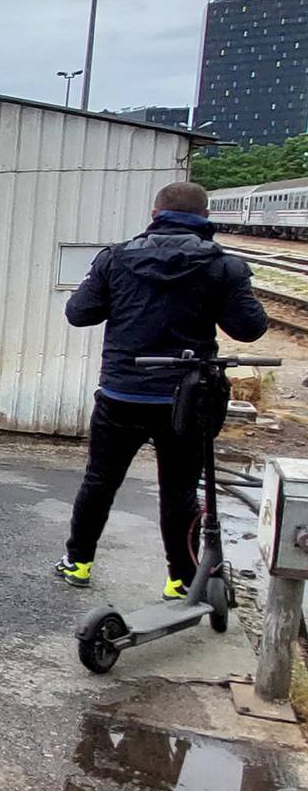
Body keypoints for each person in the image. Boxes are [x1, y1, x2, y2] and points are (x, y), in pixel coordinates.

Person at [55, 180, 268, 597]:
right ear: (205, 220)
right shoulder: (223, 266)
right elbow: (250, 328)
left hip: (122, 394)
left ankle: (78, 562)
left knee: (99, 480)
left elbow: (79, 314)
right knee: (179, 490)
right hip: (186, 399)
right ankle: (182, 579)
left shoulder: (115, 259)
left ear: (155, 215)